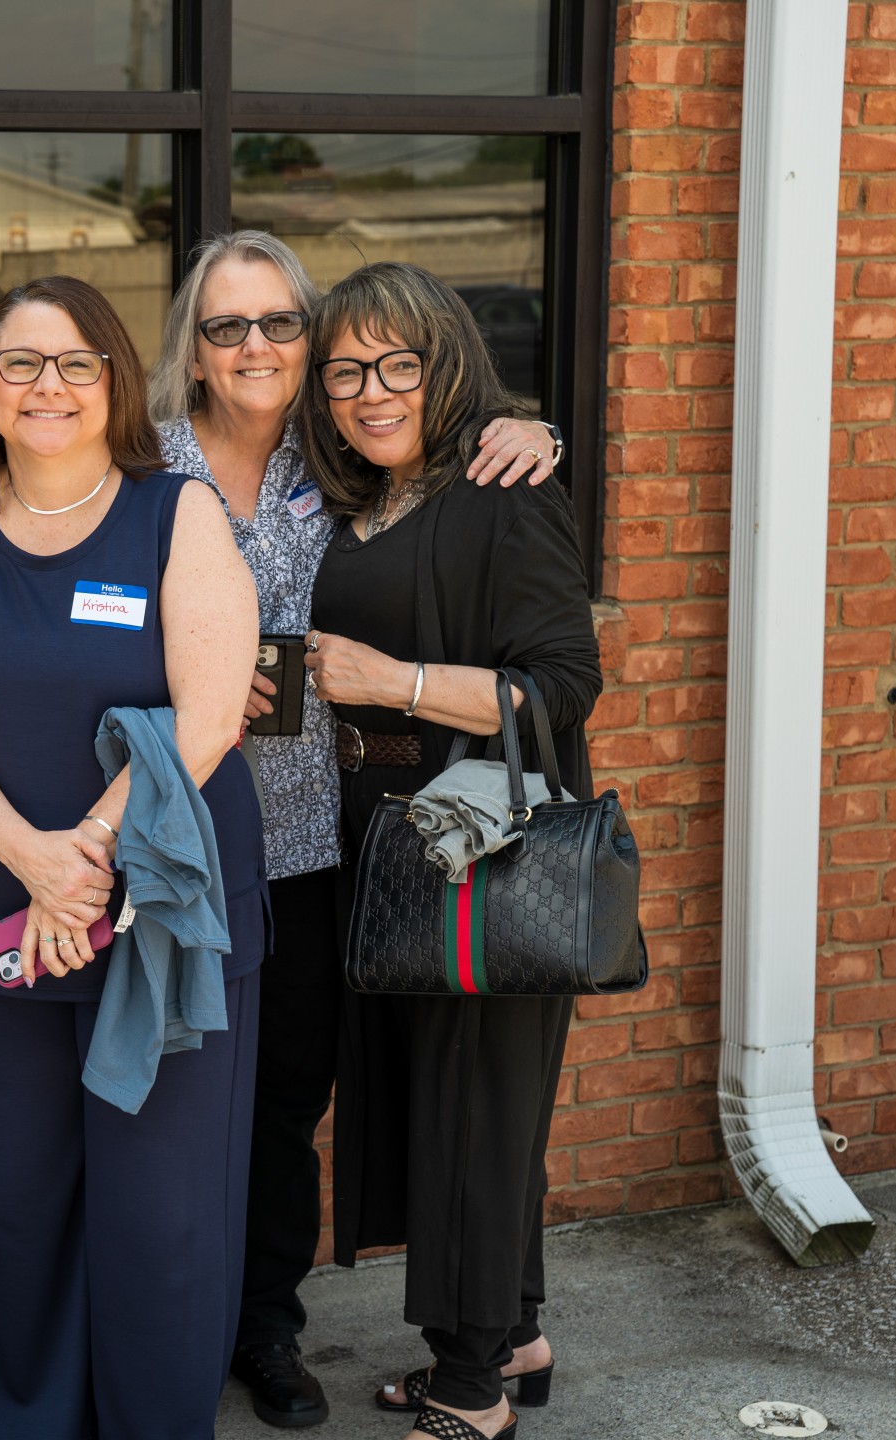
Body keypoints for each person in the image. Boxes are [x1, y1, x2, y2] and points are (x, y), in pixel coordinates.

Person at [147, 231, 561, 1429]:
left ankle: (265, 1336)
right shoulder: (144, 465)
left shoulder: (345, 474)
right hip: (178, 833)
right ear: (196, 347)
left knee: (288, 1102)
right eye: (228, 327)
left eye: (280, 324)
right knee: (172, 1094)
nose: (256, 347)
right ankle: (168, 1321)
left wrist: (535, 430)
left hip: (325, 845)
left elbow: (471, 489)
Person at [0, 274, 264, 1440]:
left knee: (163, 1218)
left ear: (113, 381)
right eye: (19, 364)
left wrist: (86, 853)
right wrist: (31, 860)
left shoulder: (174, 511)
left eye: (74, 364)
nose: (47, 387)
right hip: (3, 918)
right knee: (12, 1203)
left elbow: (209, 714)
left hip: (158, 913)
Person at [298, 261, 602, 1440]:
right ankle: (510, 1336)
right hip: (389, 839)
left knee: (478, 1107)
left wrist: (396, 684)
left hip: (485, 844)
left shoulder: (501, 489)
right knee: (454, 1108)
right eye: (345, 371)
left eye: (398, 365)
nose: (370, 391)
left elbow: (564, 684)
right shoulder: (367, 497)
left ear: (447, 364)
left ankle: (474, 1394)